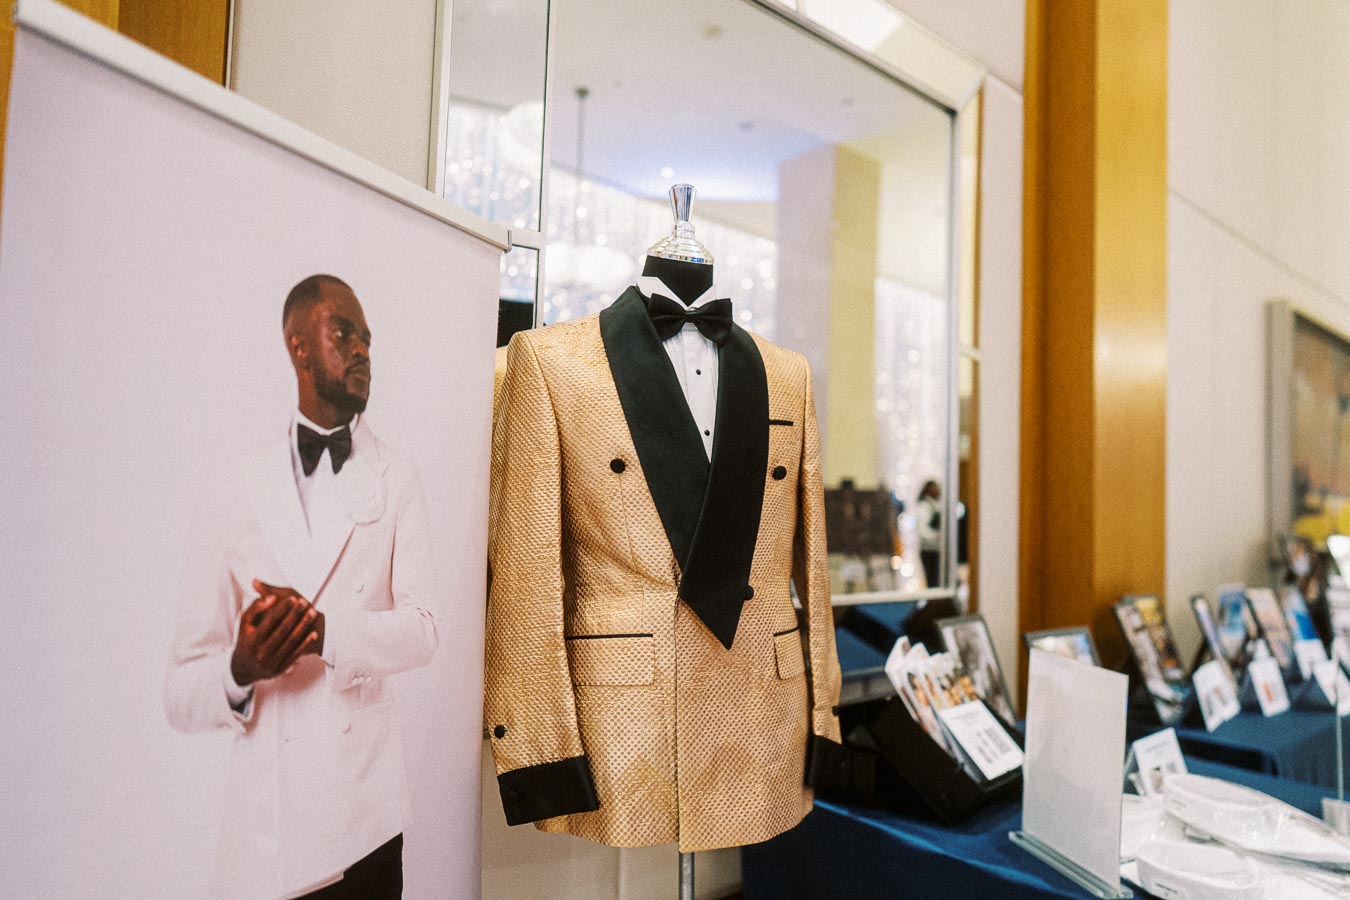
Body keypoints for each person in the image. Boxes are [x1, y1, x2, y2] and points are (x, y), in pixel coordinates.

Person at [165, 275, 439, 899]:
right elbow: (180, 689)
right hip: (266, 825)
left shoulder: (398, 477)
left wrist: (324, 632)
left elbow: (425, 629)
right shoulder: (236, 487)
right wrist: (239, 668)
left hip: (364, 815)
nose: (362, 350)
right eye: (342, 333)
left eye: (367, 339)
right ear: (297, 345)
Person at [916, 479, 942, 587]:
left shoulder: (936, 505)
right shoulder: (924, 506)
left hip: (936, 549)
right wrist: (936, 535)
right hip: (928, 550)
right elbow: (922, 529)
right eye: (935, 488)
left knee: (937, 580)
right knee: (932, 581)